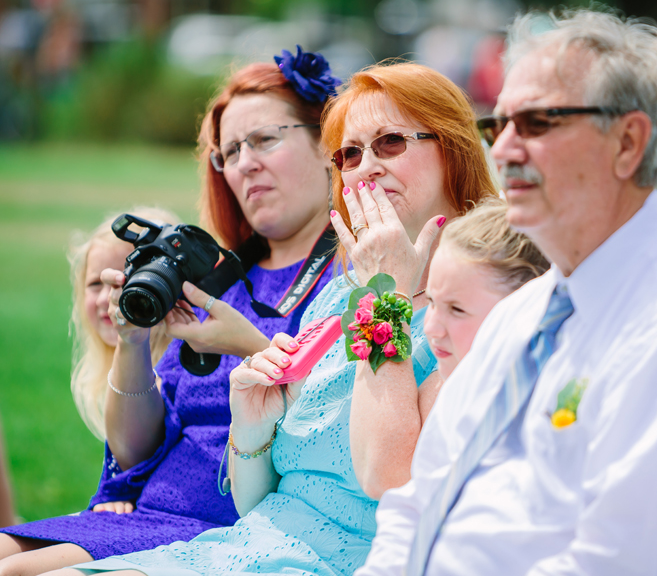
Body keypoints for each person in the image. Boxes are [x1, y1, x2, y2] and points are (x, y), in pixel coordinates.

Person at [357, 7, 657, 576]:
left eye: (538, 123)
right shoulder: (527, 311)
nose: (506, 148)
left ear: (628, 142)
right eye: (501, 124)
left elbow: (617, 565)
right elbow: (416, 501)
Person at [58, 62, 498, 576]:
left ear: (452, 148)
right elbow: (257, 500)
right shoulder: (341, 296)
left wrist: (388, 289)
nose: (367, 167)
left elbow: (389, 478)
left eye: (391, 142)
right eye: (350, 154)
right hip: (246, 544)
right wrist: (251, 425)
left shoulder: (478, 303)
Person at [0, 46, 341, 576]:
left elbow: (342, 424)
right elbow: (135, 453)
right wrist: (132, 344)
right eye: (229, 152)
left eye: (265, 139)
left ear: (325, 143)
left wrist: (245, 343)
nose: (245, 162)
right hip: (151, 508)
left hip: (240, 523)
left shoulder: (352, 274)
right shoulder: (217, 278)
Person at [415, 199, 549, 422]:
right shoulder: (447, 400)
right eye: (431, 301)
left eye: (457, 309)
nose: (431, 328)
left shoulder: (547, 416)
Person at [69, 208, 180, 444]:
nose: (105, 299)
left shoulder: (173, 377)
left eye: (126, 281)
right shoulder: (113, 373)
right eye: (95, 284)